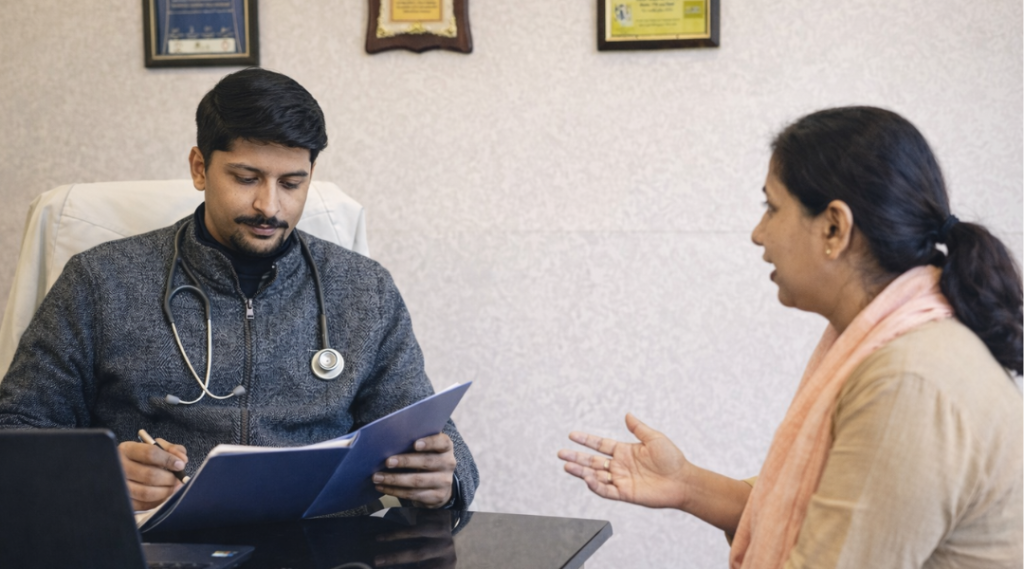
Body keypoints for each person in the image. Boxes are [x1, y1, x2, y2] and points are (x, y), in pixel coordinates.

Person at [558, 107, 1023, 568]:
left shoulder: (909, 380)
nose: (758, 234)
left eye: (771, 207)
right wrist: (685, 484)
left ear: (834, 228)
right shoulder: (896, 346)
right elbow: (803, 517)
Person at [0, 68, 478, 513]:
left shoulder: (364, 290)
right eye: (246, 178)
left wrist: (443, 477)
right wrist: (95, 475)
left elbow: (436, 441)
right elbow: (15, 433)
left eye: (292, 183)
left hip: (327, 547)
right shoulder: (100, 281)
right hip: (161, 548)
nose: (269, 205)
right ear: (199, 168)